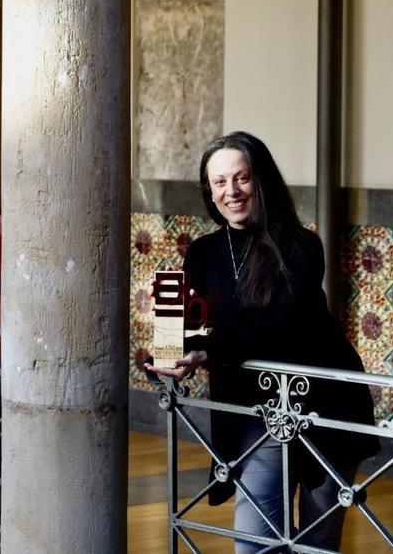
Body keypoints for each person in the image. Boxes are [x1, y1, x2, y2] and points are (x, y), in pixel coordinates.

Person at [146, 131, 378, 553]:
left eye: (242, 178)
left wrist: (208, 351)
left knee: (316, 544)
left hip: (326, 406)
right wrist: (167, 352)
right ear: (209, 191)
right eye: (219, 182)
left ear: (262, 180)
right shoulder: (202, 252)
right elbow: (184, 319)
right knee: (256, 542)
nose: (231, 191)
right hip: (258, 412)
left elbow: (279, 326)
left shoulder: (302, 245)